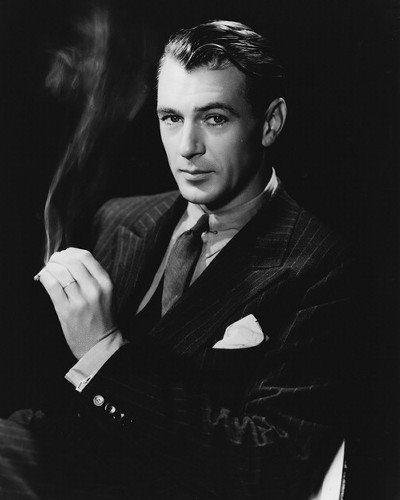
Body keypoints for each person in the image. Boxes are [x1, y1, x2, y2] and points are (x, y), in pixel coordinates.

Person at [1, 20, 359, 499]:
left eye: (214, 118)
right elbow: (63, 406)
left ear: (270, 122)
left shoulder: (322, 266)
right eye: (171, 118)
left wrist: (106, 352)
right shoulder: (119, 218)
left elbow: (269, 465)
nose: (187, 148)